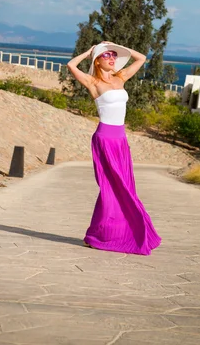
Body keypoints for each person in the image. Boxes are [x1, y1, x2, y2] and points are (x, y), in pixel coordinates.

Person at [67, 41, 162, 256]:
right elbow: (71, 65)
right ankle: (97, 235)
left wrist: (115, 45)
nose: (112, 58)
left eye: (113, 55)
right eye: (107, 55)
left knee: (125, 187)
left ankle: (100, 234)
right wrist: (89, 52)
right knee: (110, 188)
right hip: (104, 139)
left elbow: (142, 58)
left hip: (120, 140)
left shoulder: (121, 78)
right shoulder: (93, 82)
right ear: (98, 61)